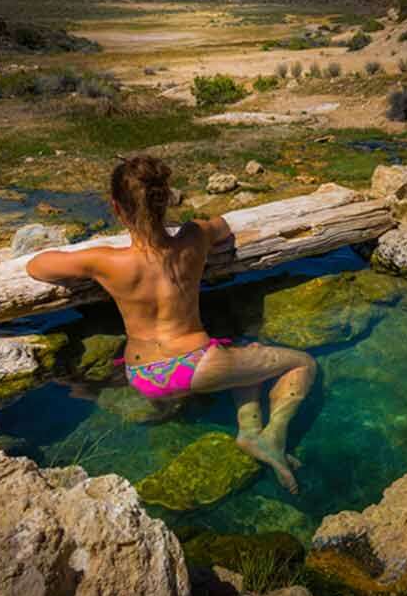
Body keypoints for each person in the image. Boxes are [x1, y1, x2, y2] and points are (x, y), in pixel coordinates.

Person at [26, 154, 316, 493]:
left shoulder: (105, 261)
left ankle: (250, 432)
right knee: (302, 363)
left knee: (243, 354)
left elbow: (37, 266)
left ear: (116, 208)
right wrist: (199, 226)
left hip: (143, 375)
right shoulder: (193, 238)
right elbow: (222, 226)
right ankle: (274, 435)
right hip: (198, 364)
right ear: (165, 201)